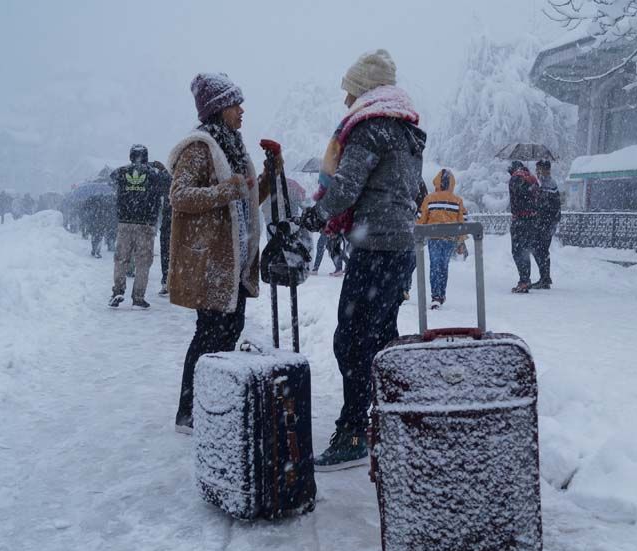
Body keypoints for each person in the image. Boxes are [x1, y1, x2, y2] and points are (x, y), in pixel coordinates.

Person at [298, 49, 427, 470]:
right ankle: (387, 420)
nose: (347, 100)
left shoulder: (372, 128)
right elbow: (415, 191)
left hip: (375, 249)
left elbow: (347, 186)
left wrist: (316, 215)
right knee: (381, 338)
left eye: (351, 91)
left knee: (351, 341)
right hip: (400, 247)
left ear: (367, 90)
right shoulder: (407, 131)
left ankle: (354, 431)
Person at [167, 72, 273, 434]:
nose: (242, 111)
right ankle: (189, 411)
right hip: (212, 261)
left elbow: (247, 197)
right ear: (217, 109)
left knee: (230, 333)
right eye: (234, 104)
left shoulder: (235, 147)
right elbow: (179, 195)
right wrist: (223, 191)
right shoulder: (200, 148)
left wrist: (269, 175)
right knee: (209, 336)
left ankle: (216, 404)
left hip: (236, 263)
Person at [108, 145, 170, 309]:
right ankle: (138, 297)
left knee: (121, 259)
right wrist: (162, 169)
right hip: (146, 224)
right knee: (143, 262)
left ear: (131, 156)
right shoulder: (154, 174)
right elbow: (169, 183)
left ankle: (117, 291)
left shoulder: (122, 171)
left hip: (125, 222)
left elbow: (111, 177)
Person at [417, 169, 466, 309]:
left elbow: (421, 219)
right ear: (452, 183)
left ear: (437, 182)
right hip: (450, 239)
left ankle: (435, 296)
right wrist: (461, 241)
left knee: (435, 266)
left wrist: (417, 232)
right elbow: (462, 222)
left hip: (434, 238)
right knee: (444, 266)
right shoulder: (457, 200)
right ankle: (441, 294)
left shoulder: (429, 199)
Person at [508, 160, 539, 293]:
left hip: (520, 220)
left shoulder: (515, 178)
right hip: (532, 220)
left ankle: (524, 280)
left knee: (517, 251)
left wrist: (517, 211)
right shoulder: (532, 178)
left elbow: (517, 197)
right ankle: (526, 279)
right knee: (525, 250)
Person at [531, 159, 561, 289]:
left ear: (546, 170)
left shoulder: (549, 185)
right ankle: (545, 277)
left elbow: (546, 206)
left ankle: (545, 278)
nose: (537, 172)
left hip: (546, 223)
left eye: (539, 169)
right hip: (545, 223)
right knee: (540, 250)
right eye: (536, 169)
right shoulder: (543, 183)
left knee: (540, 250)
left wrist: (537, 195)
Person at [154, 160, 172, 297]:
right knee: (169, 253)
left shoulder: (167, 179)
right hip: (173, 221)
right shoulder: (175, 178)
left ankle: (166, 281)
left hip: (169, 221)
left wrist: (163, 170)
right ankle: (169, 281)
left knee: (166, 252)